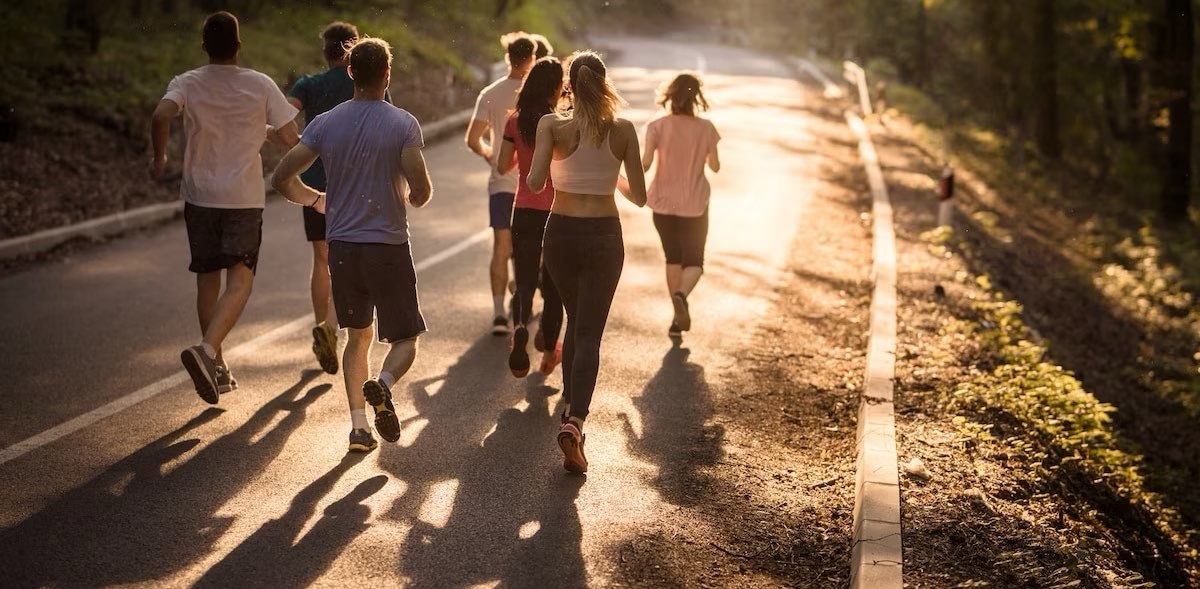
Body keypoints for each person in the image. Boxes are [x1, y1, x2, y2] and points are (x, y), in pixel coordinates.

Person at [272, 37, 433, 453]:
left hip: (342, 246)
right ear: (387, 74)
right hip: (388, 247)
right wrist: (410, 196)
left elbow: (281, 178)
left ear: (349, 73)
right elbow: (421, 189)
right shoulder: (403, 124)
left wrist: (314, 199)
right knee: (405, 339)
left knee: (356, 338)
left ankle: (359, 428)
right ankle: (382, 384)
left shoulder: (324, 123)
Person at [150, 11, 299, 404]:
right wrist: (266, 132)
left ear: (204, 46)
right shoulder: (260, 84)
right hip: (242, 199)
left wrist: (159, 157)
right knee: (241, 279)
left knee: (207, 278)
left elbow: (161, 114)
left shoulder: (187, 82)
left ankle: (216, 364)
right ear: (239, 45)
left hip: (199, 195)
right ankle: (207, 351)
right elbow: (290, 137)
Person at [528, 51, 647, 473]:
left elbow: (536, 181)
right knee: (588, 331)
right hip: (603, 236)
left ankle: (571, 417)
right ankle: (576, 420)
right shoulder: (624, 130)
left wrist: (561, 159)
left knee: (577, 319)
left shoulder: (550, 125)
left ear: (569, 86)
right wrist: (607, 172)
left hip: (560, 234)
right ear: (603, 83)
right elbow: (640, 196)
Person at [285, 21, 360, 376]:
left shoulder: (309, 84)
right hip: (355, 184)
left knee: (321, 257)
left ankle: (321, 327)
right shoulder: (364, 79)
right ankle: (329, 329)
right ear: (352, 49)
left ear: (325, 51)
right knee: (349, 259)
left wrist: (298, 145)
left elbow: (283, 117)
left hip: (315, 185)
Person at [496, 56, 565, 378]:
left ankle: (521, 325)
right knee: (554, 286)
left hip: (522, 209)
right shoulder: (558, 123)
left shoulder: (516, 120)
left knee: (523, 281)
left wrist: (522, 163)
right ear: (554, 87)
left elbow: (502, 165)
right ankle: (550, 349)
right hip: (555, 211)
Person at [640, 72, 721, 338]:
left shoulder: (657, 126)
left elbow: (645, 164)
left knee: (672, 257)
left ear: (671, 95)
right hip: (695, 203)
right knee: (694, 259)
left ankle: (676, 319)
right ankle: (681, 295)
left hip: (662, 203)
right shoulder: (706, 128)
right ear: (696, 97)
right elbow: (715, 166)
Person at [466, 32, 536, 336]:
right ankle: (523, 304)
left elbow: (472, 138)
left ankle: (498, 313)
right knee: (529, 248)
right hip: (533, 185)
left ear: (508, 59)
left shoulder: (490, 93)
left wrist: (491, 156)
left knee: (501, 246)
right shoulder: (536, 93)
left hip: (501, 184)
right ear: (531, 59)